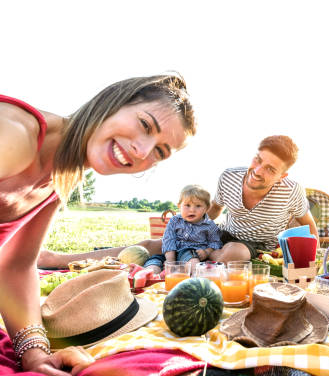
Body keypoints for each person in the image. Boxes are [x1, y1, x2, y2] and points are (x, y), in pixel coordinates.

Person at [0, 75, 196, 375]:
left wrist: (35, 356)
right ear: (112, 102)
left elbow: (15, 267)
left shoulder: (63, 174)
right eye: (145, 125)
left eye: (159, 152)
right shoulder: (16, 136)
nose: (142, 151)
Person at [41, 135, 319, 266]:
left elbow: (308, 228)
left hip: (257, 248)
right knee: (156, 244)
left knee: (238, 253)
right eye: (258, 160)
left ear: (283, 175)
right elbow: (214, 210)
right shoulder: (230, 177)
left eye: (270, 169)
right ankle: (59, 258)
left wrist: (308, 259)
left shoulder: (292, 190)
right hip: (223, 235)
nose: (257, 171)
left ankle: (190, 264)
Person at [142, 184, 222, 274]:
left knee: (193, 261)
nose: (192, 210)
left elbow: (215, 242)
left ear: (206, 208)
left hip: (192, 254)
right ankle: (149, 275)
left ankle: (191, 277)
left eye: (198, 206)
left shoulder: (209, 225)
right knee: (154, 262)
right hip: (170, 254)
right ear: (179, 206)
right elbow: (169, 240)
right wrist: (170, 262)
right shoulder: (175, 221)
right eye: (187, 205)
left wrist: (207, 252)